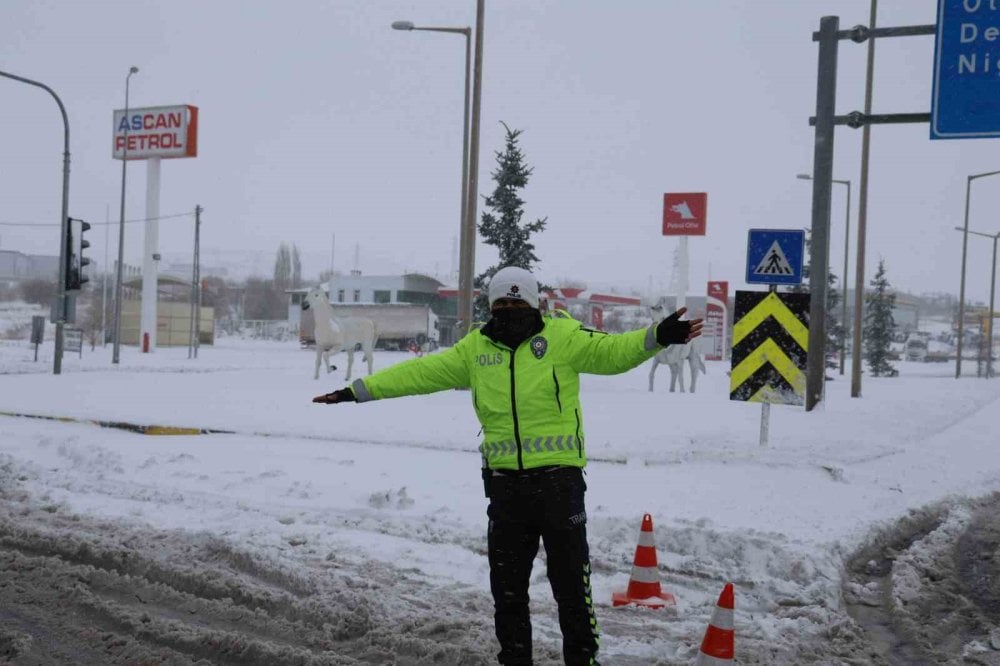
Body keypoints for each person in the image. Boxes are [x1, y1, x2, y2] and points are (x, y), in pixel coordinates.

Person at [313, 265, 703, 665]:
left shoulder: (563, 337)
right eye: (501, 301)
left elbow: (613, 353)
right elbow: (418, 373)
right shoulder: (475, 349)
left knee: (571, 591)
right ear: (491, 305)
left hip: (559, 486)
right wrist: (356, 391)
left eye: (517, 301)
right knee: (508, 594)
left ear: (533, 303)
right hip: (506, 490)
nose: (510, 308)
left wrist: (656, 337)